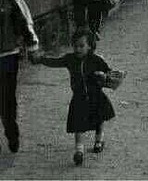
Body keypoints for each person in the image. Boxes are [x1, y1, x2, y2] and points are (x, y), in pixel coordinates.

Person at [31, 28, 115, 166]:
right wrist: (41, 60)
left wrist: (104, 75)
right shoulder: (70, 59)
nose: (78, 49)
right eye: (75, 46)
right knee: (78, 123)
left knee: (99, 119)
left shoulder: (97, 60)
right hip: (79, 97)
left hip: (96, 95)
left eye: (82, 46)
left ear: (90, 46)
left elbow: (109, 73)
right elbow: (55, 62)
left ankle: (99, 140)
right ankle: (79, 150)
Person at [0, 0, 40, 154]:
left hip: (6, 56)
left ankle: (11, 132)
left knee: (7, 99)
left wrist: (32, 43)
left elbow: (23, 16)